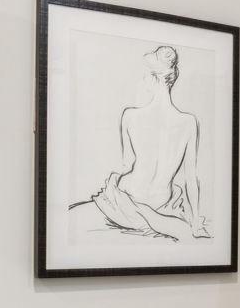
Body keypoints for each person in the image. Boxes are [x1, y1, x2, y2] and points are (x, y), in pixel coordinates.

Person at [79, 45, 210, 242]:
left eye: (144, 76)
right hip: (162, 201)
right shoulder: (189, 122)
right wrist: (196, 223)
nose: (142, 80)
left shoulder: (130, 115)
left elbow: (127, 164)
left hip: (128, 197)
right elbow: (190, 178)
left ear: (152, 77)